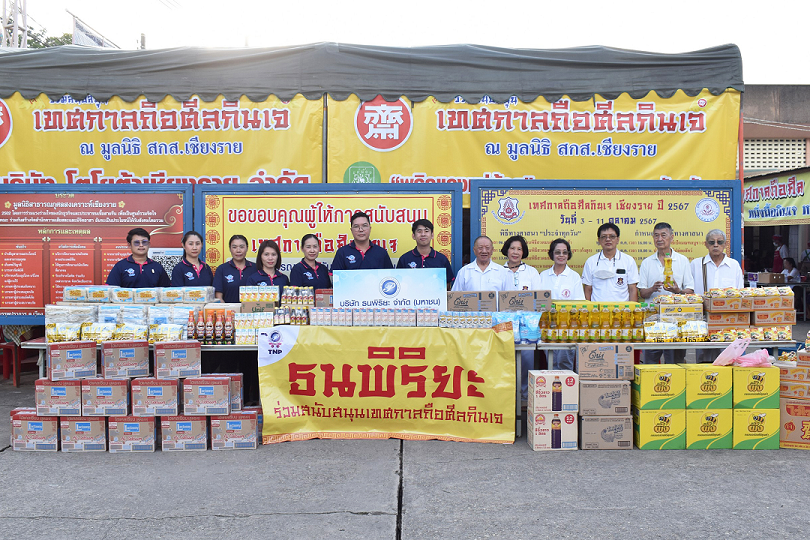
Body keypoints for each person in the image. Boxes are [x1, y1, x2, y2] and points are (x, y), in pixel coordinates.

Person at [637, 223, 695, 364]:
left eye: (663, 235)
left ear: (671, 237)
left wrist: (678, 291)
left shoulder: (682, 260)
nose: (659, 239)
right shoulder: (647, 262)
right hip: (653, 321)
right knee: (650, 362)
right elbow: (642, 293)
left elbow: (690, 290)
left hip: (676, 320)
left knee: (674, 363)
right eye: (656, 235)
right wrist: (652, 289)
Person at [690, 229, 744, 363]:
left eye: (719, 242)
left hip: (727, 320)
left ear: (725, 244)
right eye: (711, 242)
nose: (715, 245)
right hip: (702, 320)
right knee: (702, 360)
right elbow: (689, 291)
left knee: (727, 359)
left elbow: (740, 294)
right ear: (706, 244)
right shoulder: (696, 264)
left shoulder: (733, 265)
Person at [538, 238, 585, 373]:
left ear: (568, 255)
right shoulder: (543, 275)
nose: (561, 255)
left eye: (564, 252)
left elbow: (579, 304)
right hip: (547, 327)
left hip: (567, 328)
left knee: (565, 363)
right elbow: (538, 302)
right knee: (551, 362)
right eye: (557, 252)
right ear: (552, 254)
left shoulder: (574, 276)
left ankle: (567, 387)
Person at [581, 223, 639, 302]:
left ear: (617, 239)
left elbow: (632, 289)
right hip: (597, 309)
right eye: (604, 237)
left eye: (612, 236)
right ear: (599, 240)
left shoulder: (628, 261)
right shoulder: (591, 261)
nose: (608, 239)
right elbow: (588, 290)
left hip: (622, 308)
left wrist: (632, 309)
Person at [396, 219, 455, 286]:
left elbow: (447, 285)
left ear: (432, 235)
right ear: (413, 236)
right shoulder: (404, 259)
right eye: (419, 231)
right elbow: (398, 283)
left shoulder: (442, 259)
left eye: (426, 231)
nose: (423, 234)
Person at [106, 227, 170, 288]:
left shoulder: (157, 267)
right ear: (129, 245)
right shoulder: (120, 266)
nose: (141, 245)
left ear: (149, 244)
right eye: (136, 243)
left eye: (144, 242)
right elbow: (111, 290)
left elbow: (166, 291)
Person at [213, 234, 258, 303]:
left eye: (241, 247)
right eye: (234, 247)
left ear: (247, 248)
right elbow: (218, 296)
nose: (238, 250)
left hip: (252, 309)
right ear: (230, 249)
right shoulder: (222, 269)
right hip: (229, 309)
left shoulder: (256, 268)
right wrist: (225, 308)